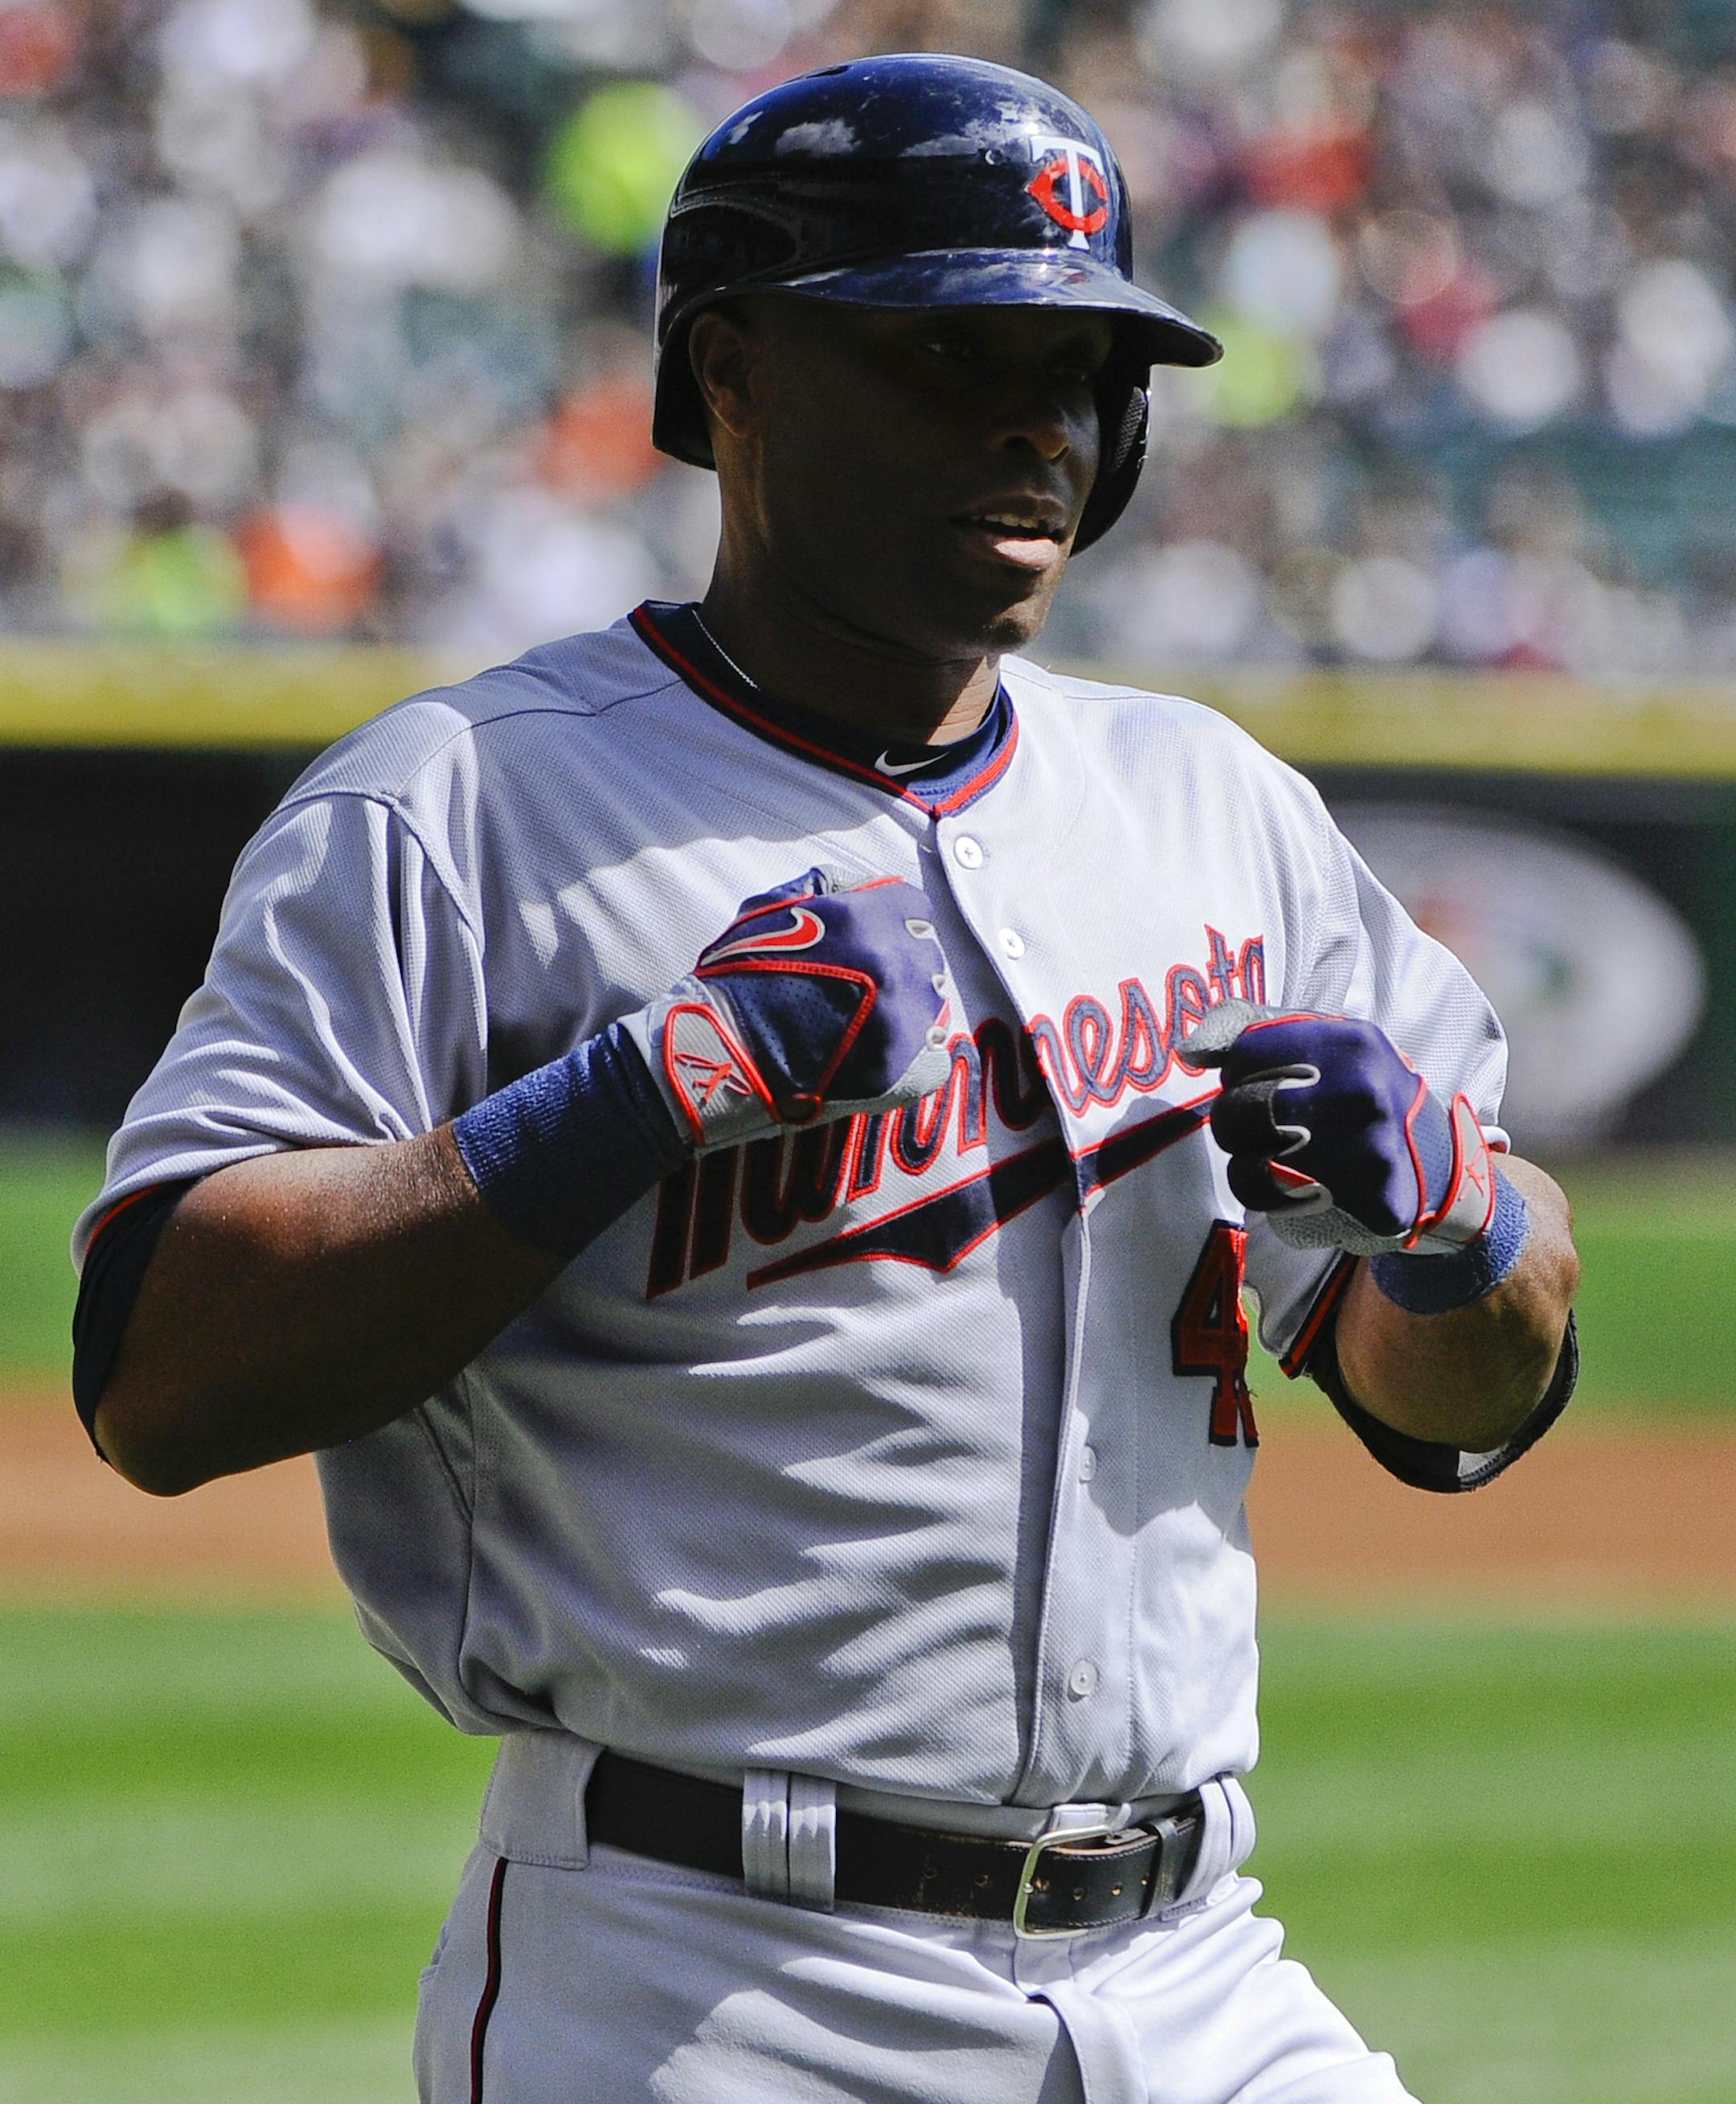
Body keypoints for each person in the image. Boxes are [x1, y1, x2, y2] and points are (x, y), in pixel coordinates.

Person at [73, 52, 1578, 2104]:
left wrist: (1460, 1228)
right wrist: (645, 1087)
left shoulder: (1214, 809)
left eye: (1079, 364)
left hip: (1204, 1972)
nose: (1035, 422)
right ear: (733, 379)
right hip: (714, 1973)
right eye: (951, 349)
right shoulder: (464, 810)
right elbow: (160, 1368)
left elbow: (1464, 1398)